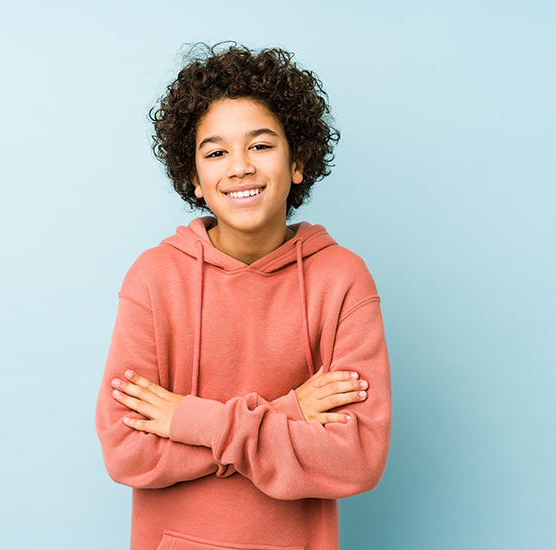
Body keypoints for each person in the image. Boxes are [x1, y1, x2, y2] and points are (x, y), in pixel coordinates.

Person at [95, 43, 391, 550]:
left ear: (297, 162)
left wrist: (187, 419)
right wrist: (292, 413)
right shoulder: (153, 278)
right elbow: (127, 451)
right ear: (195, 181)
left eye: (260, 145)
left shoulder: (342, 279)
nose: (239, 167)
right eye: (215, 152)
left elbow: (358, 457)